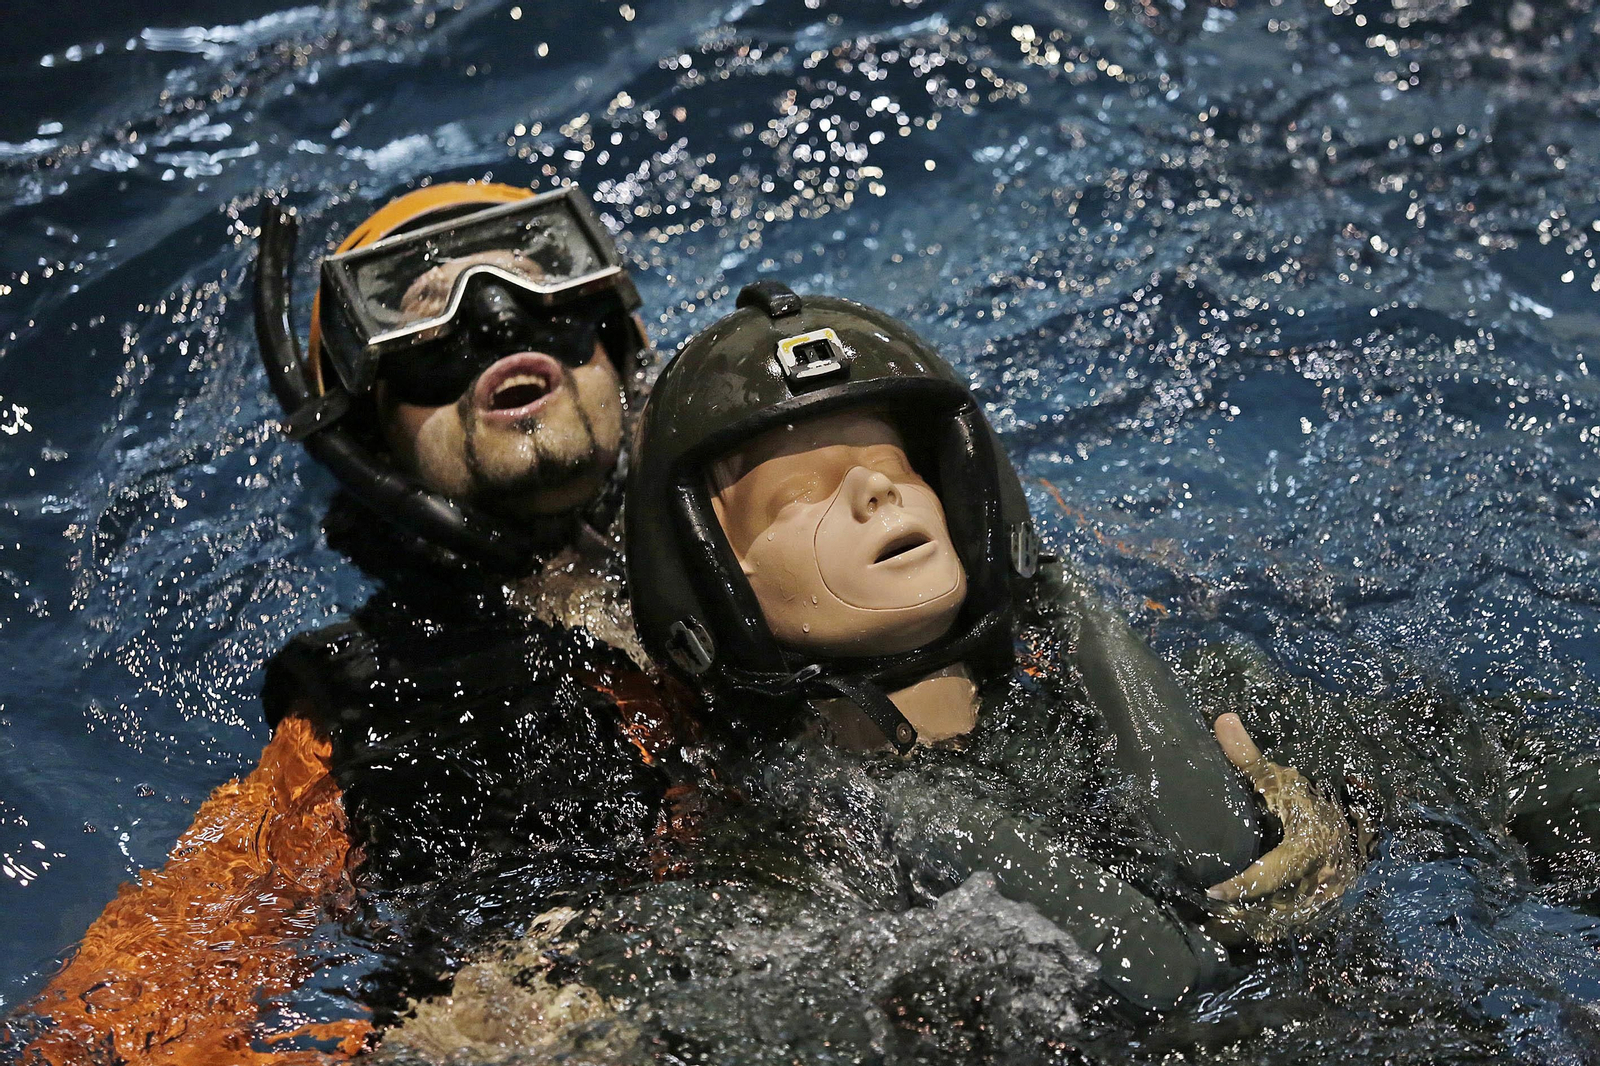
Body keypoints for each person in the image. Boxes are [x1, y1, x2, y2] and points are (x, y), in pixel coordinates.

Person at [15, 183, 694, 1064]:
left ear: (619, 350)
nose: (495, 321)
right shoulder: (359, 729)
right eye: (425, 323)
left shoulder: (797, 524)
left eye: (539, 292)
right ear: (371, 435)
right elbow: (104, 1037)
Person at [621, 281, 1362, 1012]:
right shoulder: (776, 856)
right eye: (797, 497)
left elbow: (1457, 763)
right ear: (712, 584)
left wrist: (1333, 823)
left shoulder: (1208, 695)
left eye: (897, 470)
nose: (874, 494)